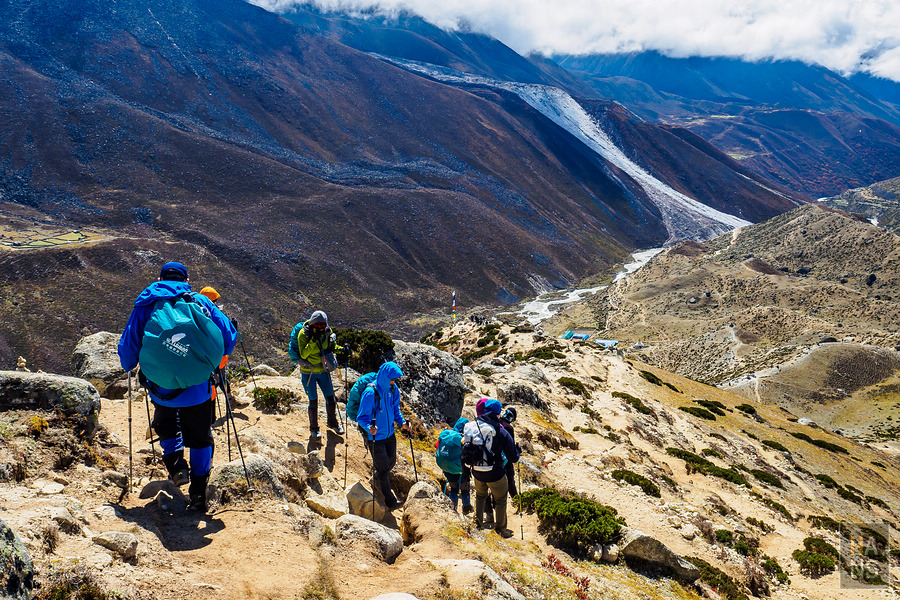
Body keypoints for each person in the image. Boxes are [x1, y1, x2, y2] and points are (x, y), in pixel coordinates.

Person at [118, 261, 237, 512]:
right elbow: (228, 339)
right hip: (198, 388)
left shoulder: (146, 304)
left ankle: (176, 467)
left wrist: (130, 364)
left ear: (161, 278)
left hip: (161, 388)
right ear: (186, 279)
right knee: (200, 437)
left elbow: (129, 349)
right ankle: (198, 493)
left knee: (165, 426)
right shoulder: (200, 302)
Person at [356, 361, 409, 510]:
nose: (394, 382)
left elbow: (395, 410)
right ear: (385, 377)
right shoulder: (370, 393)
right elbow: (362, 417)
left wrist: (403, 423)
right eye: (392, 379)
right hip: (375, 438)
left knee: (391, 461)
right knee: (385, 469)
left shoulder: (393, 389)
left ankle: (377, 477)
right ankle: (390, 501)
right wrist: (368, 428)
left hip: (390, 434)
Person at [289, 310, 345, 438]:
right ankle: (314, 428)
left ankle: (332, 423)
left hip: (323, 370)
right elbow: (303, 354)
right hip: (309, 372)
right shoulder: (304, 334)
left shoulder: (327, 332)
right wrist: (314, 341)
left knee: (330, 398)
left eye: (323, 325)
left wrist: (342, 349)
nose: (321, 327)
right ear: (313, 324)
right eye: (318, 325)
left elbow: (331, 347)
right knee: (313, 400)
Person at [469, 398, 519, 538]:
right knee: (501, 499)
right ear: (498, 413)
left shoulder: (474, 427)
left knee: (480, 496)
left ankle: (477, 524)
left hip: (477, 471)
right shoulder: (501, 432)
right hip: (495, 473)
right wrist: (518, 451)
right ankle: (501, 529)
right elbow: (513, 457)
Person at [435, 417, 473, 514]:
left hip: (445, 466)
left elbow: (436, 446)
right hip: (458, 468)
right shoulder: (462, 439)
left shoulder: (446, 434)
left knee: (454, 488)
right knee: (464, 487)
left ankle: (452, 508)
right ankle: (466, 506)